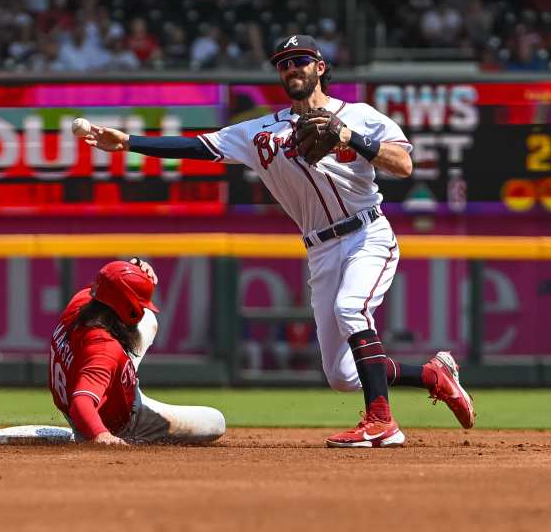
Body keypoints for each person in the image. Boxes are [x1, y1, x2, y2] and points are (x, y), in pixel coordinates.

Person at [78, 34, 475, 448]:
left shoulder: (357, 115)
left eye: (300, 60)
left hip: (366, 233)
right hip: (320, 249)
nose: (291, 68)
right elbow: (198, 146)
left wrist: (349, 138)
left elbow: (403, 164)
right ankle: (433, 375)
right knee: (341, 376)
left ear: (320, 67)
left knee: (350, 308)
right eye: (283, 63)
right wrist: (128, 142)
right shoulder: (259, 133)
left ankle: (382, 421)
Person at [49, 258, 226, 445]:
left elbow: (108, 285)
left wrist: (133, 272)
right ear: (129, 309)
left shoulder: (80, 302)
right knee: (215, 421)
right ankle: (90, 429)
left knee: (148, 320)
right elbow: (81, 403)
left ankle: (88, 425)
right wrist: (101, 434)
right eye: (140, 305)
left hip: (80, 384)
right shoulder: (105, 350)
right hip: (117, 421)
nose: (142, 309)